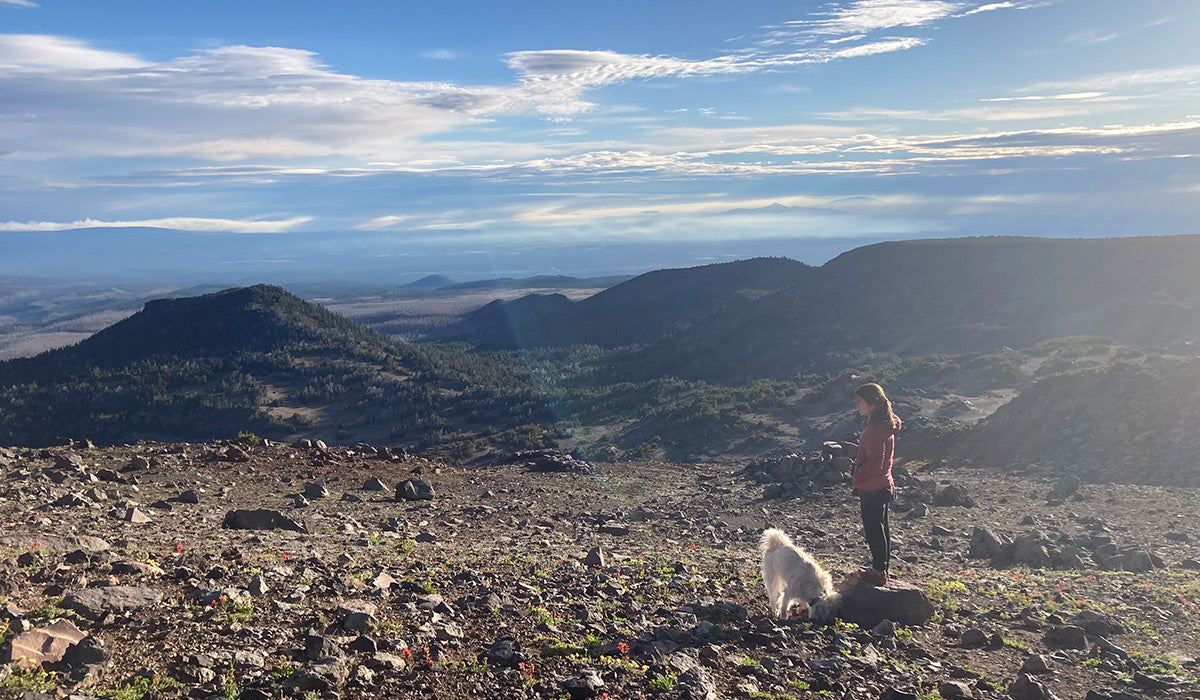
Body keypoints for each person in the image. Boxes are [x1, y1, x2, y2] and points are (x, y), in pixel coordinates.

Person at [852, 382, 901, 586]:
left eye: (860, 402)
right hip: (884, 484)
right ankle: (882, 568)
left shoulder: (873, 431)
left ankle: (879, 572)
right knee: (882, 528)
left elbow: (875, 464)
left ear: (872, 403)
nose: (857, 406)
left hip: (872, 487)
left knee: (873, 529)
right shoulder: (886, 424)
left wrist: (857, 476)